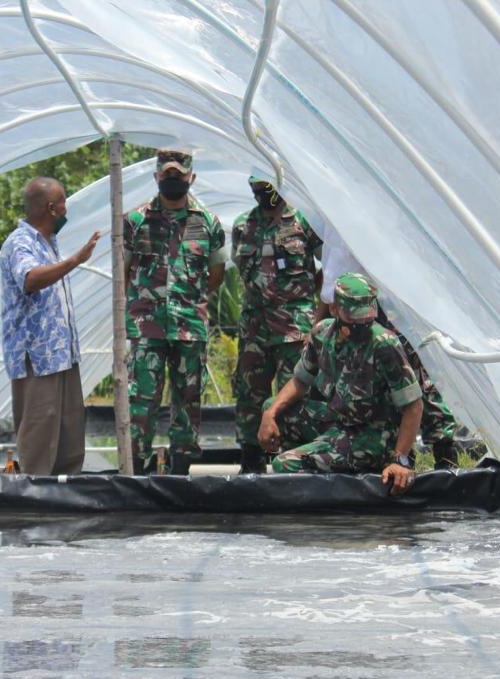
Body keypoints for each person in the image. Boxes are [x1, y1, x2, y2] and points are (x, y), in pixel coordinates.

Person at [258, 273, 421, 495]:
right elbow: (300, 380)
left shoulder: (384, 344)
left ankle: (321, 473)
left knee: (284, 464)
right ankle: (319, 458)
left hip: (372, 437)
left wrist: (400, 460)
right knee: (273, 407)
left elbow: (413, 406)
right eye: (354, 321)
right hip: (338, 422)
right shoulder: (323, 333)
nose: (361, 327)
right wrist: (270, 415)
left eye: (366, 320)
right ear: (334, 309)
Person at [317, 226, 459, 469]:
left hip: (382, 304)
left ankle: (442, 449)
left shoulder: (363, 208)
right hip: (347, 308)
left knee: (412, 377)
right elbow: (330, 272)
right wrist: (320, 317)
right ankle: (392, 448)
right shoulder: (330, 218)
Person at [123, 150, 227, 475]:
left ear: (191, 178)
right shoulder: (135, 221)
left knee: (187, 401)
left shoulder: (208, 222)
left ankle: (181, 470)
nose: (172, 180)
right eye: (167, 175)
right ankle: (137, 471)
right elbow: (123, 271)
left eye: (178, 175)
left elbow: (217, 272)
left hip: (189, 326)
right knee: (141, 401)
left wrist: (191, 300)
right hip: (146, 327)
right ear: (156, 177)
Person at [0, 177, 101, 475]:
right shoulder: (20, 242)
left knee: (69, 434)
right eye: (64, 202)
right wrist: (76, 260)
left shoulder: (48, 243)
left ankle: (66, 492)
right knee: (40, 434)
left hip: (62, 356)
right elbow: (30, 279)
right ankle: (36, 497)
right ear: (52, 208)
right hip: (38, 358)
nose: (67, 209)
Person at [231, 175, 322, 474]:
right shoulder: (243, 225)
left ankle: (291, 462)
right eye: (258, 187)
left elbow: (328, 269)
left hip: (294, 329)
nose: (263, 193)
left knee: (293, 394)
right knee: (248, 394)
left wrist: (311, 310)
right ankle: (250, 462)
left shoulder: (304, 222)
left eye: (268, 186)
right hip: (254, 328)